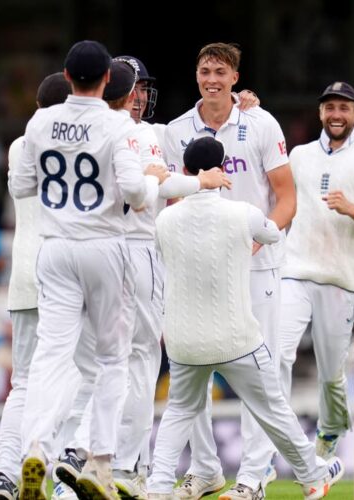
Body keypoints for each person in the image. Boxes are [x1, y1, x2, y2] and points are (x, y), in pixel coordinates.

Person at [49, 58, 231, 500]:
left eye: (145, 89)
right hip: (135, 251)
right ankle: (121, 464)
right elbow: (161, 186)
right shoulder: (138, 133)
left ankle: (71, 467)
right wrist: (201, 182)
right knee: (139, 361)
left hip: (86, 253)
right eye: (137, 89)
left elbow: (197, 123)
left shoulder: (87, 131)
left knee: (95, 365)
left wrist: (241, 103)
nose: (141, 97)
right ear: (122, 91)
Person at [8, 40, 169, 500]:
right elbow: (137, 194)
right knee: (112, 358)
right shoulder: (115, 124)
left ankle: (36, 445)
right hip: (103, 246)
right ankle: (99, 461)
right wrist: (154, 181)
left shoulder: (40, 121)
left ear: (66, 74)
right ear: (105, 81)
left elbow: (21, 184)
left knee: (52, 356)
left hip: (55, 247)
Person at [147, 137, 343, 500]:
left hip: (184, 341)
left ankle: (158, 488)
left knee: (178, 412)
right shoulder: (242, 213)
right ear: (221, 169)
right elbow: (271, 233)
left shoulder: (165, 220)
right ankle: (313, 476)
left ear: (188, 172)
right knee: (272, 409)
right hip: (235, 337)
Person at [157, 42, 296, 500]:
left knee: (263, 373)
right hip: (202, 268)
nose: (211, 79)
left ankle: (253, 477)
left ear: (236, 78)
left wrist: (259, 237)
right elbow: (174, 194)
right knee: (191, 364)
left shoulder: (261, 122)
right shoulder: (177, 130)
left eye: (220, 71)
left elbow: (287, 197)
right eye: (204, 71)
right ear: (196, 76)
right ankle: (204, 470)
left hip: (258, 265)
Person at [276, 81, 354, 460]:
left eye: (344, 108)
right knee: (278, 353)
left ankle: (330, 428)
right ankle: (270, 446)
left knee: (330, 373)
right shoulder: (298, 155)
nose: (336, 115)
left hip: (340, 277)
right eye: (330, 108)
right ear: (320, 113)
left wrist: (351, 208)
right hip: (294, 269)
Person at [0, 71, 71, 500]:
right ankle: (60, 480)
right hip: (63, 278)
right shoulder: (77, 143)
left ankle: (4, 475)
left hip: (23, 278)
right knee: (72, 382)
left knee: (23, 384)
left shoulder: (19, 146)